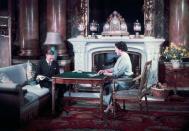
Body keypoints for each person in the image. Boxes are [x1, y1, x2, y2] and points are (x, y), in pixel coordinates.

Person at [98, 41, 134, 113]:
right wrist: (105, 70)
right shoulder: (123, 56)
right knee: (105, 85)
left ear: (120, 49)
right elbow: (115, 69)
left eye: (115, 49)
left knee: (106, 87)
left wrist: (105, 74)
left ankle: (110, 105)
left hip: (124, 83)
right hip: (122, 80)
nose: (115, 50)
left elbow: (116, 74)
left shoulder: (124, 58)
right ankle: (111, 104)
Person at [35, 46, 64, 112]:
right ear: (46, 55)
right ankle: (53, 108)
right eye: (50, 56)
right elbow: (37, 75)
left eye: (53, 56)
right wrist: (41, 77)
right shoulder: (41, 63)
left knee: (62, 85)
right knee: (52, 87)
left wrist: (57, 79)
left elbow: (58, 74)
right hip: (43, 82)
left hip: (53, 80)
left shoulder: (55, 63)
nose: (52, 58)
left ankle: (59, 103)